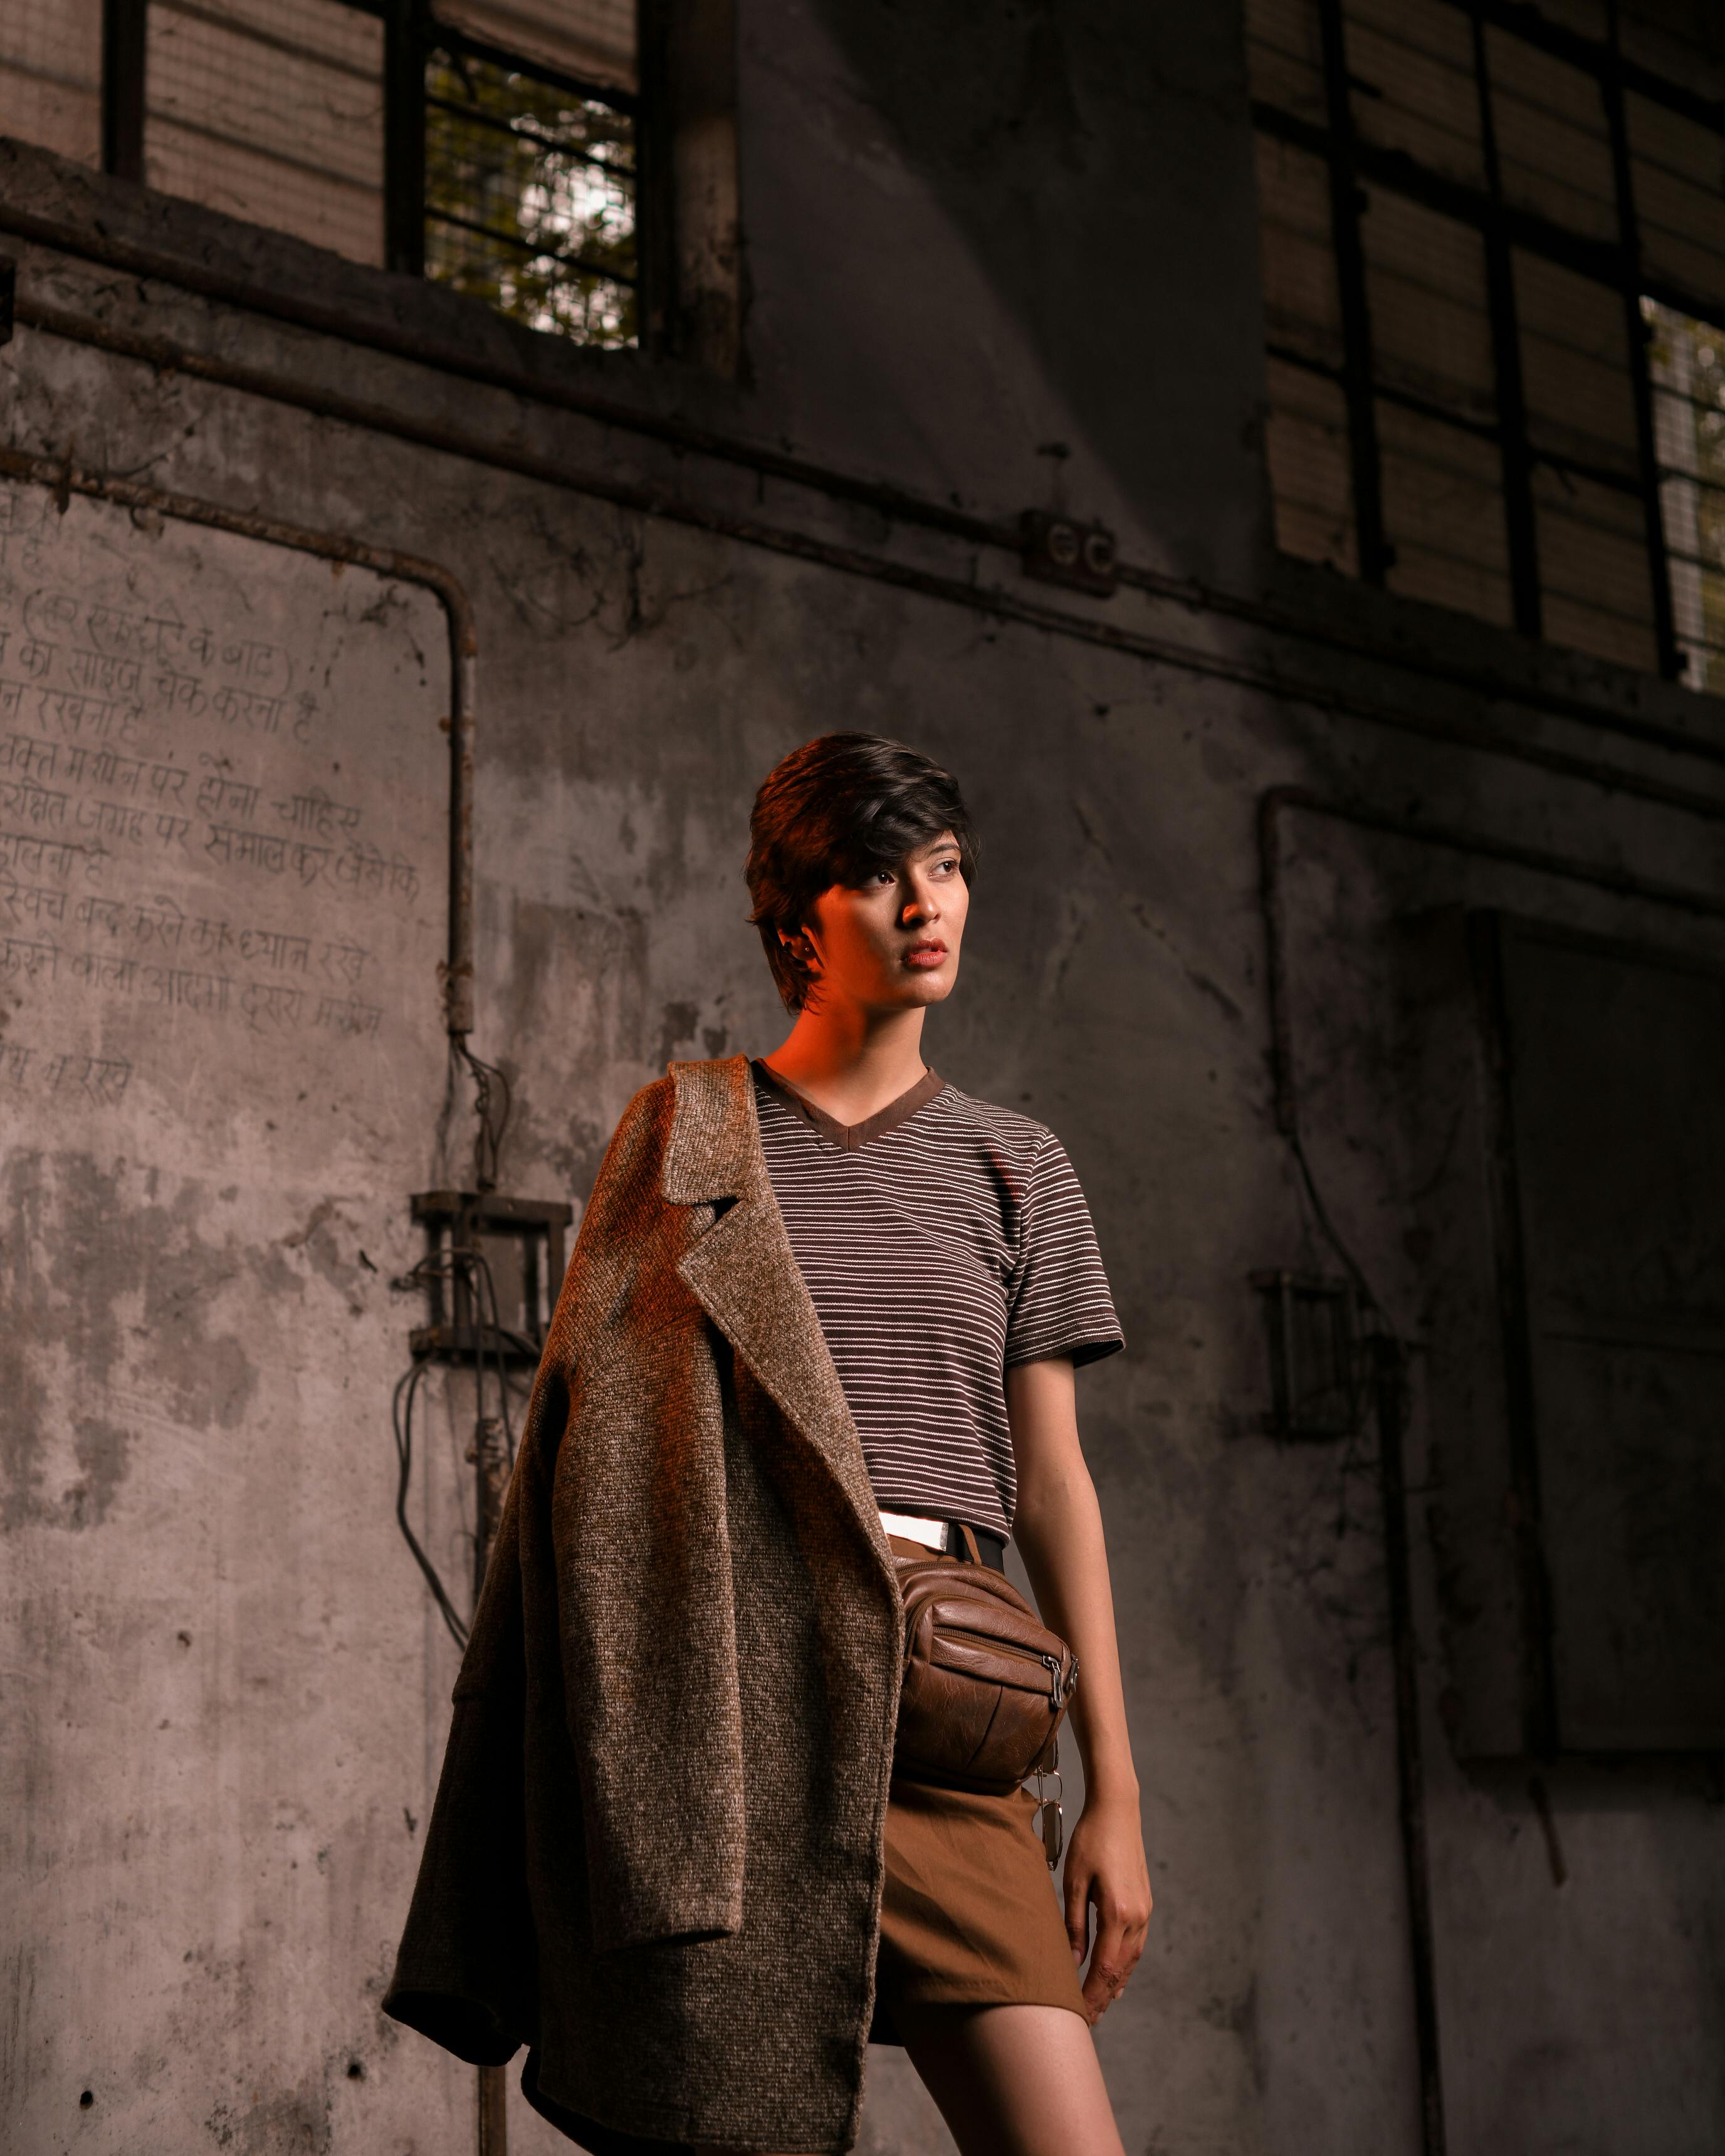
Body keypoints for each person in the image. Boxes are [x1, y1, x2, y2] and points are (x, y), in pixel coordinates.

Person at [385, 734, 1151, 2156]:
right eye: (877, 874)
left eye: (944, 867)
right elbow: (587, 1470)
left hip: (944, 1711)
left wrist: (1113, 1788)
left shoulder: (1016, 1164)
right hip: (719, 1732)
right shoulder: (682, 1131)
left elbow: (1052, 1485)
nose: (926, 904)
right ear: (798, 920)